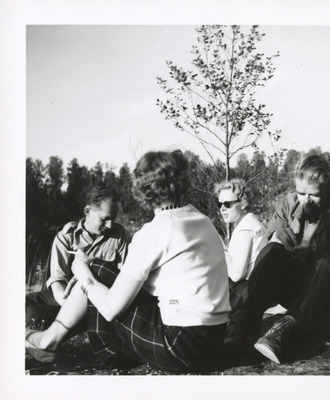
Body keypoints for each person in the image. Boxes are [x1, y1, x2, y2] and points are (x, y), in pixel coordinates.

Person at [25, 150, 231, 373]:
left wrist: (82, 270)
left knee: (96, 270)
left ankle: (48, 341)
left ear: (142, 190)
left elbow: (111, 309)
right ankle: (55, 338)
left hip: (180, 348)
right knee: (103, 273)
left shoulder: (156, 230)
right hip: (213, 342)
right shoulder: (203, 221)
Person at [224, 154, 330, 364]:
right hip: (295, 288)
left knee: (326, 264)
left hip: (327, 293)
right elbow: (264, 249)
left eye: (314, 195)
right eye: (301, 192)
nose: (305, 200)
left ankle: (283, 331)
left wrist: (313, 251)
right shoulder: (289, 202)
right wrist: (277, 236)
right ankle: (241, 326)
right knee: (273, 248)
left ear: (329, 188)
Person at [26, 185, 129, 329]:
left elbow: (122, 278)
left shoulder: (119, 235)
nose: (110, 225)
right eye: (105, 219)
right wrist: (69, 308)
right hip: (64, 297)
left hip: (100, 298)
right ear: (87, 211)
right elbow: (57, 280)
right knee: (23, 308)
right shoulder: (66, 236)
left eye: (113, 219)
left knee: (37, 316)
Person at [214, 179, 268, 309]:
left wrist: (221, 246)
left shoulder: (246, 228)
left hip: (246, 294)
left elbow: (236, 275)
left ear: (242, 203)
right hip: (249, 290)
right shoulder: (246, 223)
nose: (222, 209)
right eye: (219, 204)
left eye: (227, 204)